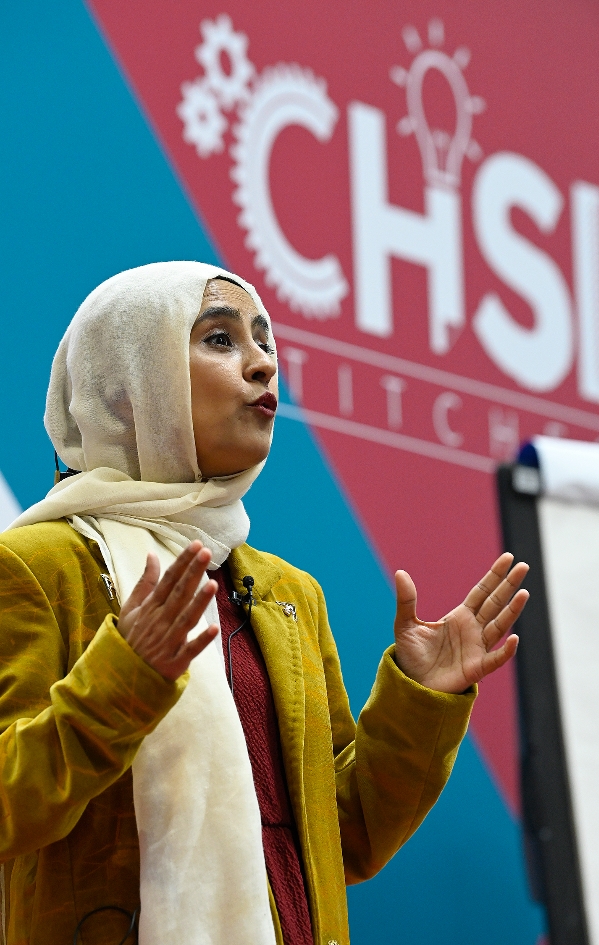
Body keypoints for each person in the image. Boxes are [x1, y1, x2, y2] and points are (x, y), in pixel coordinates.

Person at [0, 262, 528, 945]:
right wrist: (123, 679)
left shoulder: (287, 592)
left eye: (264, 341)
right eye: (219, 339)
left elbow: (345, 835)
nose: (261, 365)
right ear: (127, 389)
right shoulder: (39, 566)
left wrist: (421, 700)